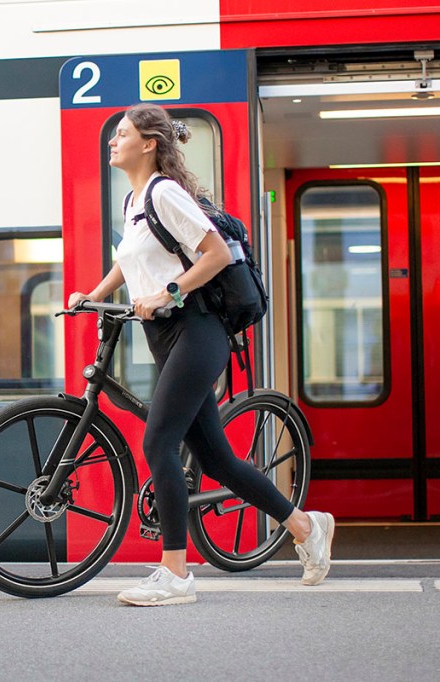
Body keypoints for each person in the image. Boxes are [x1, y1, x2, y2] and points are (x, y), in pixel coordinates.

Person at [67, 103, 335, 606]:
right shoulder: (135, 200)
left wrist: (169, 292)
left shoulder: (166, 193)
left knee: (158, 443)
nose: (112, 141)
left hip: (197, 329)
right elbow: (129, 261)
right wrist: (93, 292)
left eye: (121, 134)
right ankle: (306, 527)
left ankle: (175, 574)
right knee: (217, 459)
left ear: (149, 144)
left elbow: (214, 254)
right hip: (165, 336)